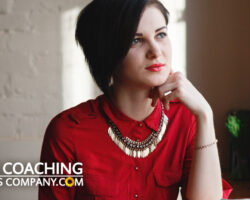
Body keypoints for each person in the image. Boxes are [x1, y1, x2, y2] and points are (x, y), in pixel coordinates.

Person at [39, 0, 232, 199]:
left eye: (161, 34)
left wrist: (205, 115)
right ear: (107, 53)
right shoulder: (67, 131)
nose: (156, 51)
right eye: (135, 40)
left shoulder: (185, 119)